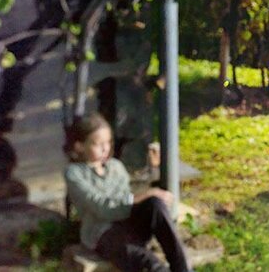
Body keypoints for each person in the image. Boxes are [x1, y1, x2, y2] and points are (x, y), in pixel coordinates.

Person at [64, 113, 191, 272]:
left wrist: (154, 173)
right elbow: (102, 208)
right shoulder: (74, 173)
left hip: (128, 224)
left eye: (108, 142)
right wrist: (143, 196)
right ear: (79, 146)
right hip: (104, 234)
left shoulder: (115, 166)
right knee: (147, 261)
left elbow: (129, 197)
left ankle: (183, 269)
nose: (105, 148)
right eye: (98, 144)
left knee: (155, 204)